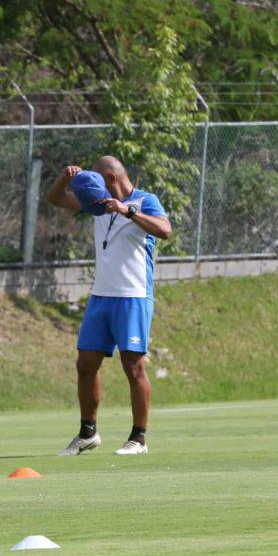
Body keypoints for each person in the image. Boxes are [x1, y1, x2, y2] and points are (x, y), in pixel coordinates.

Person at [45, 155, 172, 456]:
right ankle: (88, 433)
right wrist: (66, 177)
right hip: (101, 296)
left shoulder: (145, 201)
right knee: (85, 364)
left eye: (99, 180)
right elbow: (55, 199)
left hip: (133, 296)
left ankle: (138, 439)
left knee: (134, 366)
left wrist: (127, 212)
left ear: (112, 179)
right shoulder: (98, 205)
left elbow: (165, 230)